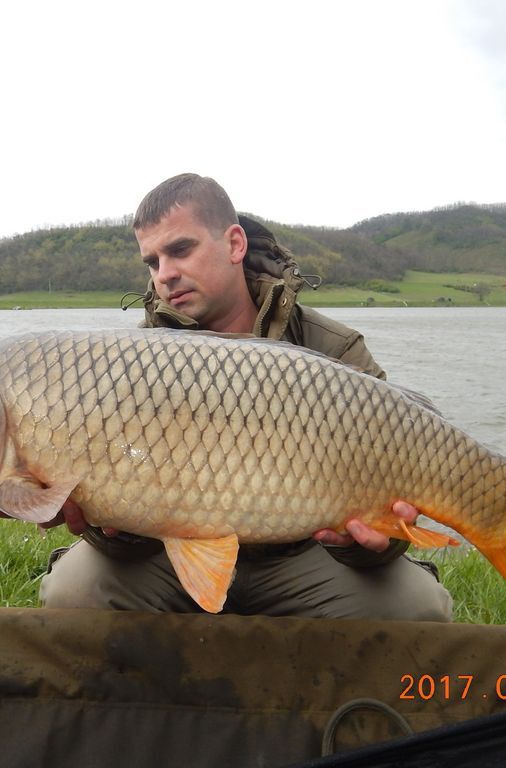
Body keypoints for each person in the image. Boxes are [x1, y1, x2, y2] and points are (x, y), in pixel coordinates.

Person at [35, 173, 453, 621]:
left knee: (418, 608)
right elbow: (115, 525)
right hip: (167, 553)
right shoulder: (131, 365)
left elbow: (389, 533)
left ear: (235, 244)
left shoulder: (331, 347)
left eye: (179, 250)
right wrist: (111, 525)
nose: (165, 275)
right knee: (73, 590)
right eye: (151, 262)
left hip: (305, 555)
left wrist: (373, 544)